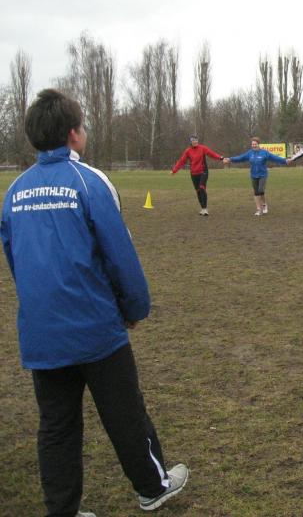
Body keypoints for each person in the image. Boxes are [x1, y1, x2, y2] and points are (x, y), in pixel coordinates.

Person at [0, 89, 189, 516]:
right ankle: (152, 487)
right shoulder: (89, 181)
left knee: (56, 426)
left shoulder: (14, 192)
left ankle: (62, 509)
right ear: (74, 134)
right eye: (83, 125)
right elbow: (119, 253)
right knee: (125, 413)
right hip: (95, 327)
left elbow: (15, 260)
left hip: (43, 331)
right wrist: (134, 308)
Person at [224, 137, 287, 215]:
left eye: (255, 144)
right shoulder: (249, 153)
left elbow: (275, 158)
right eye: (252, 144)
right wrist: (230, 159)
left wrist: (285, 161)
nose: (254, 145)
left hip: (263, 175)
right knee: (256, 192)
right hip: (253, 175)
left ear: (258, 144)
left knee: (261, 190)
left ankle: (264, 204)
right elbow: (240, 158)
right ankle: (258, 209)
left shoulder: (264, 153)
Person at [171, 135, 225, 215]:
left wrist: (220, 158)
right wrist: (174, 170)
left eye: (196, 140)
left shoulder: (203, 148)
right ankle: (202, 208)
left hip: (203, 172)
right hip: (193, 173)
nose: (195, 141)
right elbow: (182, 161)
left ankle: (205, 209)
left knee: (202, 187)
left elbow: (211, 154)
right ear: (190, 142)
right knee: (198, 191)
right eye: (193, 140)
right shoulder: (188, 151)